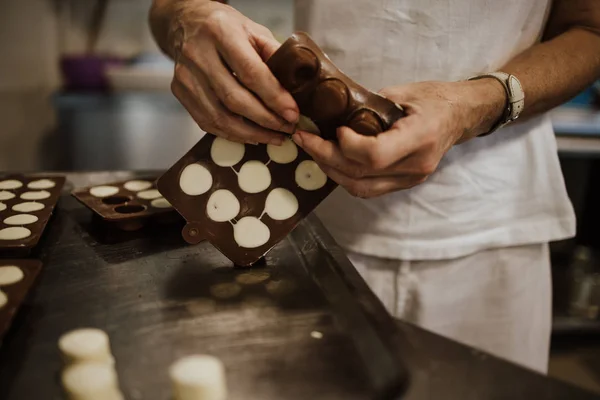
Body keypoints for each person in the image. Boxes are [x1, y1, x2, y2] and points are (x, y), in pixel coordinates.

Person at [149, 0, 600, 373]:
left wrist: (474, 105)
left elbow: (590, 29)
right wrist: (186, 18)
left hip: (492, 234)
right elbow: (172, 6)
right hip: (307, 228)